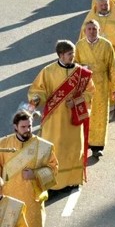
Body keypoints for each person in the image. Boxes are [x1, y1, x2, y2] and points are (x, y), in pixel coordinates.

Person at [27, 40, 94, 191]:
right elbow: (38, 90)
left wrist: (77, 101)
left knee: (74, 149)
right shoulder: (48, 71)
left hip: (73, 120)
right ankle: (52, 183)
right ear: (61, 55)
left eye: (74, 53)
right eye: (70, 54)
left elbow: (90, 92)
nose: (73, 56)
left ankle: (73, 179)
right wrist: (37, 98)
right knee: (54, 150)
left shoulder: (82, 73)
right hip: (54, 119)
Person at [0, 110, 58, 227]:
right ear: (15, 126)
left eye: (29, 126)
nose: (27, 130)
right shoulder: (3, 144)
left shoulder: (44, 146)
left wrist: (35, 174)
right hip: (10, 199)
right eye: (23, 127)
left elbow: (54, 168)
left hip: (32, 200)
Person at [74, 20, 115, 157]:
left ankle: (97, 146)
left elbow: (112, 67)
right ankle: (85, 142)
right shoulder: (79, 46)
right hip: (85, 85)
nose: (92, 31)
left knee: (100, 114)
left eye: (94, 29)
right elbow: (74, 65)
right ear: (84, 31)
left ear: (99, 30)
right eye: (89, 29)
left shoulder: (106, 45)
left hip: (101, 84)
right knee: (86, 113)